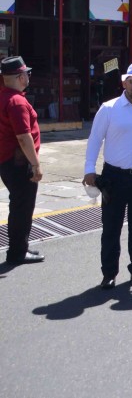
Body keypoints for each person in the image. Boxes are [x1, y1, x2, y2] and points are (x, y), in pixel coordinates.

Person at [84, 62, 132, 289]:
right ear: (124, 83)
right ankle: (109, 273)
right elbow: (95, 139)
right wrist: (89, 169)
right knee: (111, 227)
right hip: (114, 178)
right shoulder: (109, 108)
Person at [0, 56, 44, 265]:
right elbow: (23, 137)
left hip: (9, 161)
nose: (28, 76)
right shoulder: (16, 101)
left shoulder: (4, 96)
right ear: (19, 77)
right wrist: (35, 164)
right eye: (26, 73)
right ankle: (17, 252)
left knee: (19, 205)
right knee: (22, 207)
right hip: (19, 163)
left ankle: (20, 248)